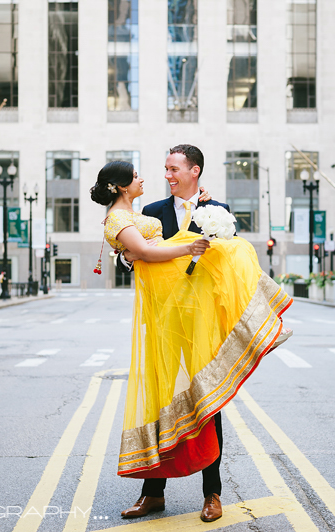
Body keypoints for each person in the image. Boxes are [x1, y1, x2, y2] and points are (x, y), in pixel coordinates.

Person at [90, 154, 292, 524]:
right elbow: (131, 252)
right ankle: (152, 493)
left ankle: (212, 494)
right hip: (164, 316)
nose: (165, 174)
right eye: (164, 169)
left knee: (208, 402)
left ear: (193, 171)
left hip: (202, 321)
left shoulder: (216, 208)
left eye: (172, 169)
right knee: (161, 398)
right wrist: (130, 258)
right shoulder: (150, 209)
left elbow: (224, 263)